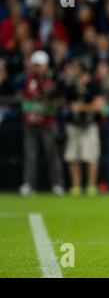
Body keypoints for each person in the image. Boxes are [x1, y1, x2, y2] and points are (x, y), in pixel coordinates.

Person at [19, 50, 64, 196]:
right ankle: (28, 184)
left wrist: (50, 104)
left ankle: (57, 184)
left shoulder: (54, 79)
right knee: (30, 155)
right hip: (30, 122)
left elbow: (59, 101)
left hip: (48, 123)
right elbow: (22, 99)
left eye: (40, 65)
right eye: (36, 65)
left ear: (46, 65)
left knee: (53, 153)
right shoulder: (27, 80)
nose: (38, 68)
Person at [63, 61, 107, 197]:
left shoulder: (94, 84)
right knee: (72, 155)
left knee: (91, 156)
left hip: (89, 124)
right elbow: (66, 102)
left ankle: (91, 185)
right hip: (73, 123)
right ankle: (76, 185)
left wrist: (81, 107)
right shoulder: (71, 84)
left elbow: (99, 106)